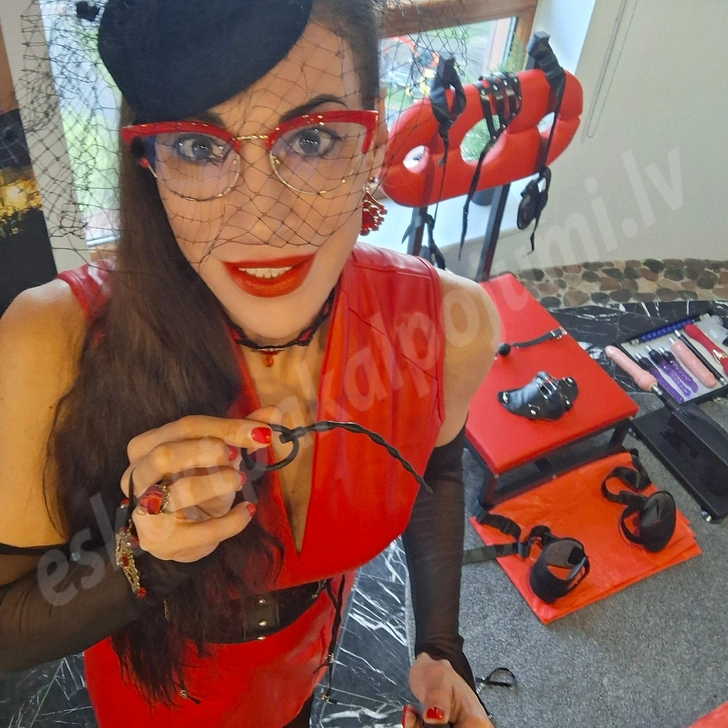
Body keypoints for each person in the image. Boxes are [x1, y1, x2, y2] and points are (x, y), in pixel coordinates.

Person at [0, 0, 500, 726]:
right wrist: (143, 560)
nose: (261, 217)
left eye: (314, 138)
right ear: (149, 162)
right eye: (199, 148)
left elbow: (437, 470)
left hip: (306, 668)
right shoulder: (50, 344)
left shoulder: (446, 328)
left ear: (375, 140)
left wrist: (441, 647)